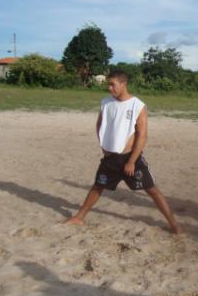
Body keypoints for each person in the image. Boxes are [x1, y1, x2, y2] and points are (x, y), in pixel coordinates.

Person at [64, 70, 181, 234]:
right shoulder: (105, 103)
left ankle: (174, 225)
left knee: (152, 190)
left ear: (123, 84)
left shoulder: (137, 105)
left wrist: (132, 161)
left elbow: (142, 136)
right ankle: (79, 217)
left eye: (112, 84)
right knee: (97, 186)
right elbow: (99, 125)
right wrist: (103, 145)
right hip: (110, 158)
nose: (109, 88)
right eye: (108, 84)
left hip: (130, 159)